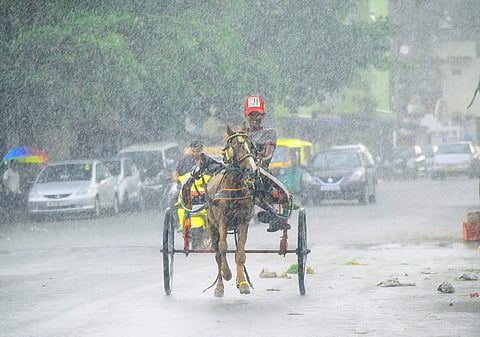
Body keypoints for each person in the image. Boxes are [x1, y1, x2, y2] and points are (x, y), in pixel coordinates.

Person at [243, 95, 291, 232]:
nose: (254, 118)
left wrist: (254, 163)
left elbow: (268, 155)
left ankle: (273, 215)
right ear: (245, 115)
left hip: (260, 171)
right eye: (251, 114)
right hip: (241, 172)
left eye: (257, 114)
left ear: (263, 115)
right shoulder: (241, 133)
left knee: (261, 186)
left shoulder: (269, 133)